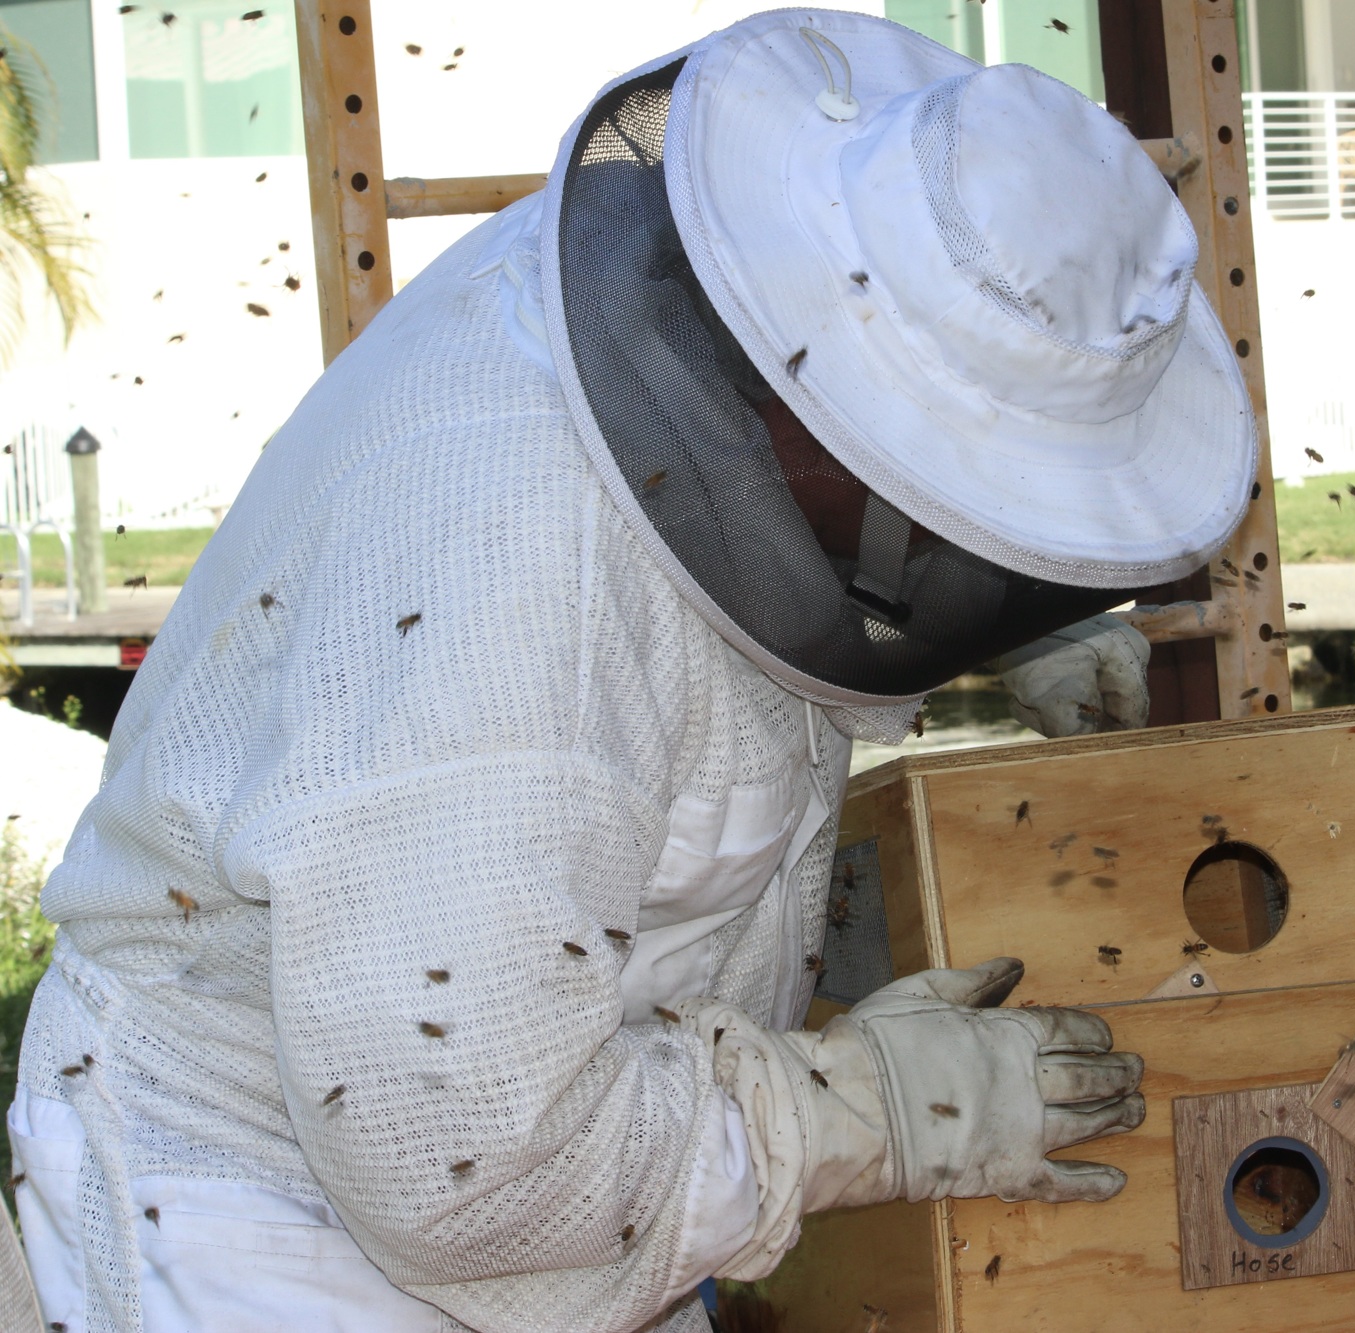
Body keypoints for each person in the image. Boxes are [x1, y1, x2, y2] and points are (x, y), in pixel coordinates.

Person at [6, 10, 1257, 1330]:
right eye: (968, 490)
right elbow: (467, 1163)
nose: (970, 536)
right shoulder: (505, 577)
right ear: (823, 397)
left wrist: (1018, 608)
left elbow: (736, 621)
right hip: (280, 1228)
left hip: (571, 1138)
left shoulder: (742, 334)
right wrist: (863, 1109)